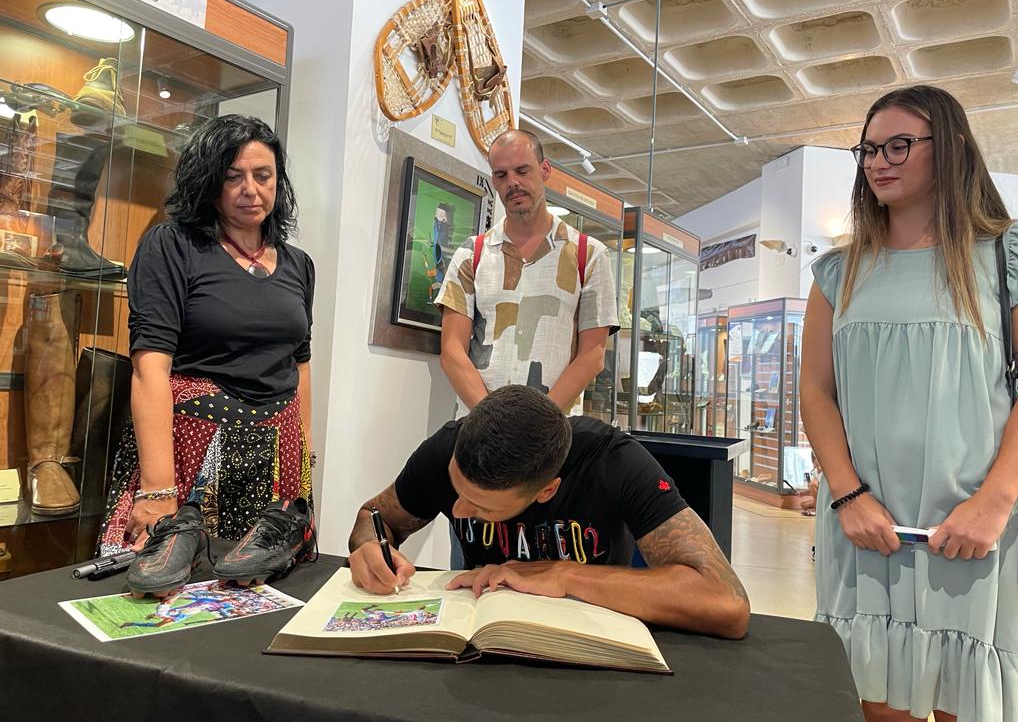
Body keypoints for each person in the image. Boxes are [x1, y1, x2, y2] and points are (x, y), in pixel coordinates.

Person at [801, 85, 1018, 722]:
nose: (878, 161)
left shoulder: (1004, 256)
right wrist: (846, 496)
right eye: (868, 149)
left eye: (899, 144)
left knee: (968, 698)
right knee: (873, 701)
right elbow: (816, 390)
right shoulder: (837, 273)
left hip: (976, 533)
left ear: (950, 148)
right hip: (865, 529)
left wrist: (995, 503)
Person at [97, 115, 317, 586]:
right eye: (232, 176)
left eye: (263, 175)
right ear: (209, 181)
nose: (249, 189)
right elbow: (149, 369)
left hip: (277, 456)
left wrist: (304, 465)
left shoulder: (299, 264)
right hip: (191, 451)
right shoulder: (173, 246)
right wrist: (158, 490)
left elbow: (301, 365)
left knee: (257, 602)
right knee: (164, 597)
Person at [347, 385, 750, 637]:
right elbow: (374, 517)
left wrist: (564, 574)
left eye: (482, 505)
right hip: (482, 644)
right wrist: (369, 546)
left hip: (589, 645)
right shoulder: (446, 449)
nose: (457, 510)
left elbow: (725, 602)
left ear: (546, 491)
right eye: (456, 488)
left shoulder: (615, 462)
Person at [434, 129, 618, 417]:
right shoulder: (471, 255)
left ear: (545, 170)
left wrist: (537, 424)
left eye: (522, 170)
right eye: (501, 175)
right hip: (480, 436)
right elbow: (452, 351)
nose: (513, 183)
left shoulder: (590, 256)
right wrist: (492, 423)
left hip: (553, 437)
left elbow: (592, 356)